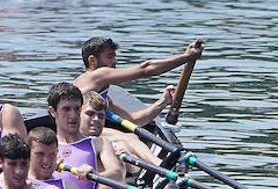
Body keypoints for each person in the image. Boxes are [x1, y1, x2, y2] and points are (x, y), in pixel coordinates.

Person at [73, 36, 203, 125]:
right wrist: (187, 57)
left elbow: (133, 120)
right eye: (109, 57)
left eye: (114, 57)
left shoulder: (103, 99)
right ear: (92, 60)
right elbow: (146, 69)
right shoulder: (96, 75)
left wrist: (163, 102)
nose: (114, 62)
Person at [48, 83, 123, 189]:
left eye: (77, 109)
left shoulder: (98, 143)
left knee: (106, 183)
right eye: (66, 109)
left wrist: (96, 175)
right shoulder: (44, 147)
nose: (73, 115)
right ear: (53, 111)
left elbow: (118, 174)